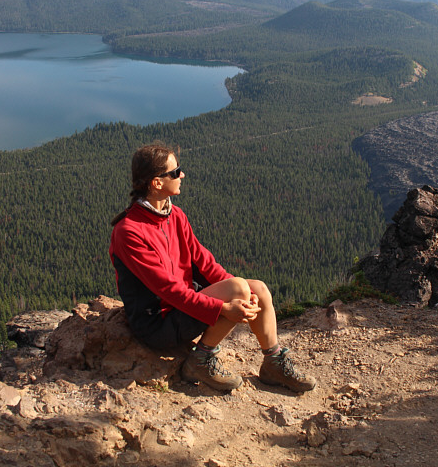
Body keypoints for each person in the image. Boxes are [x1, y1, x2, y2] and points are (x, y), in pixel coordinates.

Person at [109, 143, 316, 393]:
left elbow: (204, 263)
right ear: (156, 183)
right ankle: (201, 360)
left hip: (181, 306)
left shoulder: (175, 216)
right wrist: (224, 307)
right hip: (157, 322)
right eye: (175, 172)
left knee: (257, 289)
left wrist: (242, 292)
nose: (181, 175)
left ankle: (273, 362)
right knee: (239, 290)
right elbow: (168, 290)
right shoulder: (129, 231)